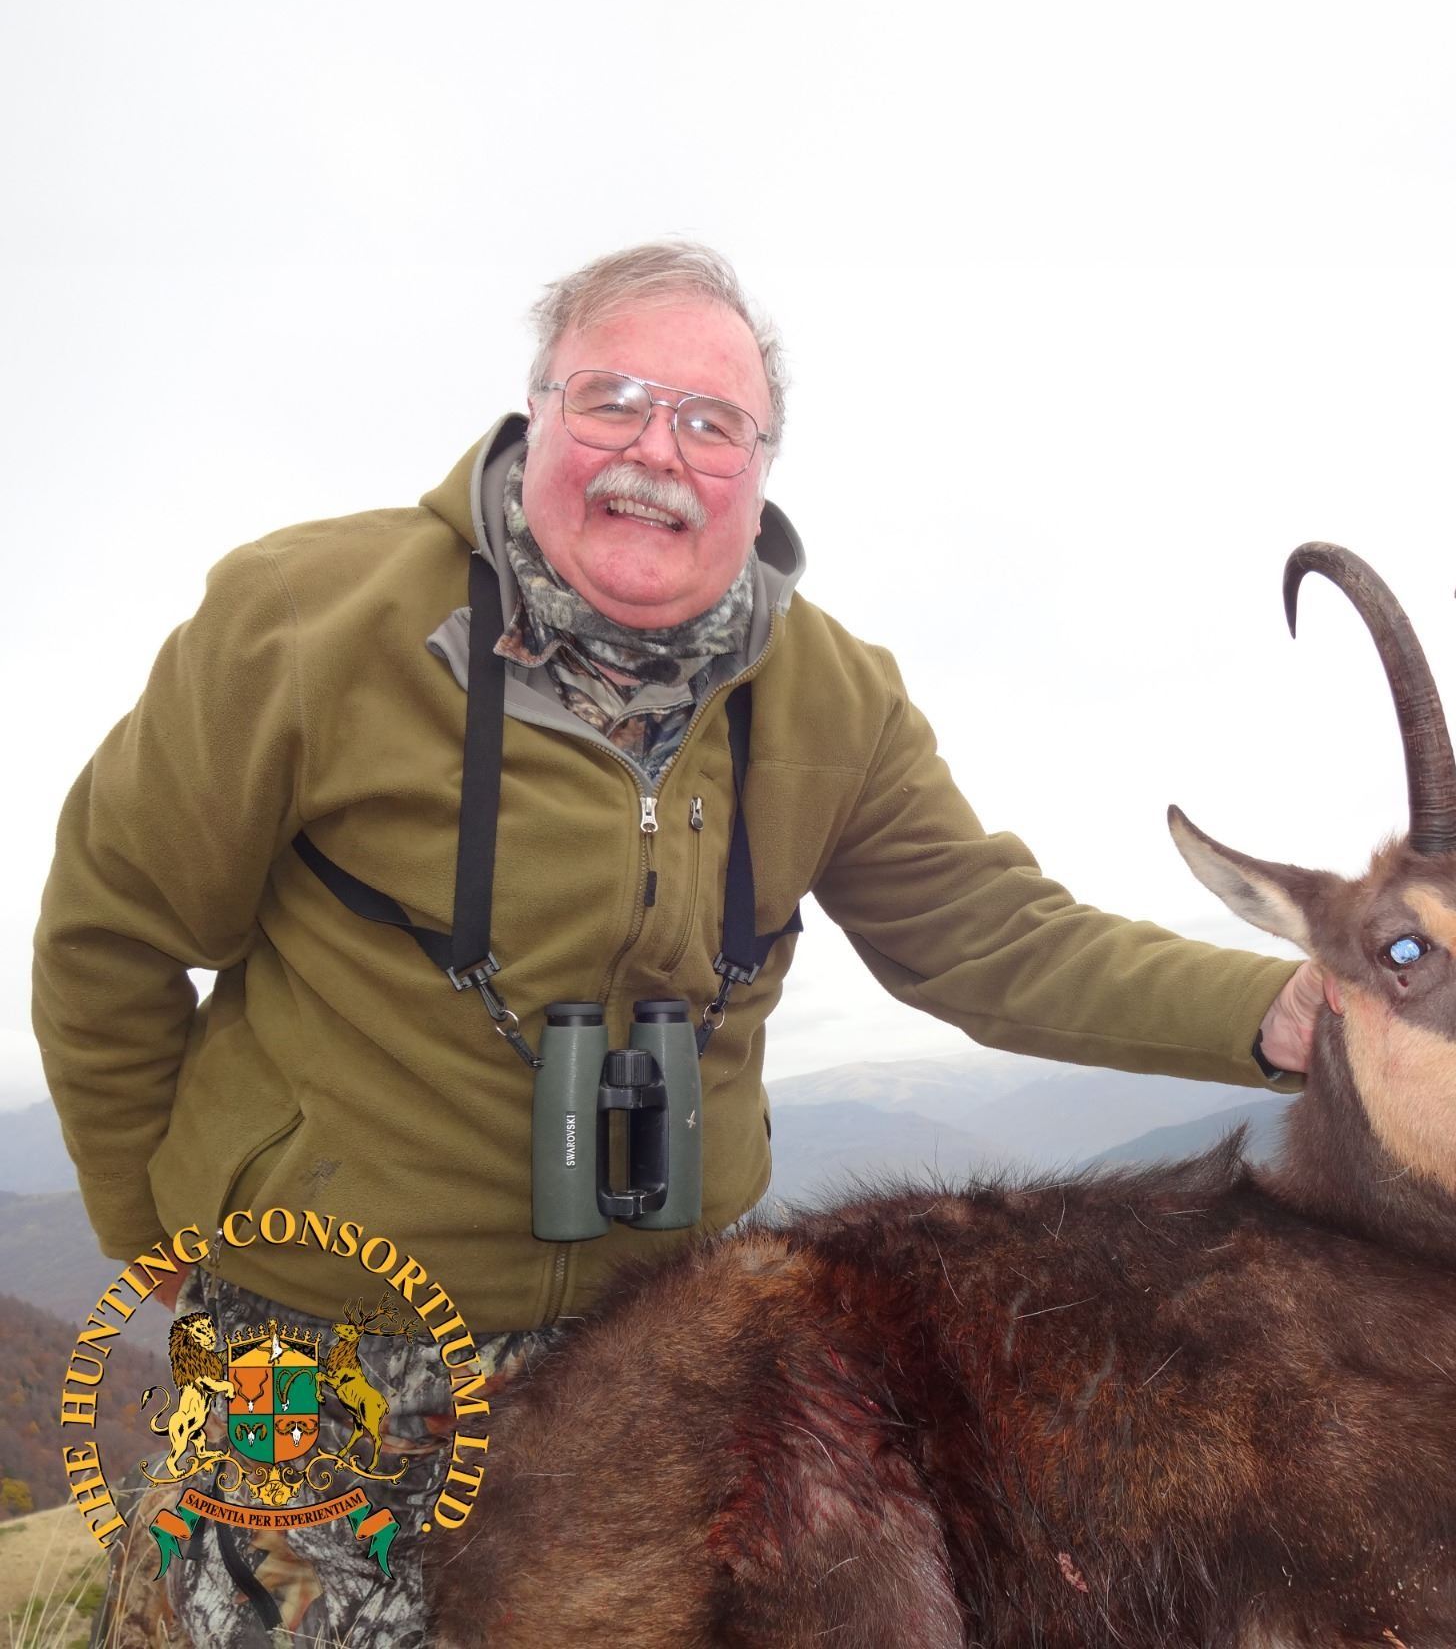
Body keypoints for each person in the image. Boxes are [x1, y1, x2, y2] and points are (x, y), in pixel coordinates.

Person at [34, 242, 1320, 1645]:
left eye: (714, 423)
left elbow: (996, 939)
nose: (659, 451)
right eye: (613, 400)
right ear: (536, 411)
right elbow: (112, 935)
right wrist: (156, 1239)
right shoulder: (304, 619)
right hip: (321, 1344)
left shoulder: (834, 696)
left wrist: (1280, 1012)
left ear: (760, 471)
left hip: (665, 1351)